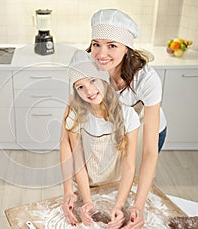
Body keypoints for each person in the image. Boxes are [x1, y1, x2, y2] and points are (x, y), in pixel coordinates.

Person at [61, 9, 167, 228]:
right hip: (109, 129)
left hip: (145, 131)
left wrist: (138, 206)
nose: (101, 54)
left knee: (134, 187)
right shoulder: (87, 66)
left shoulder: (146, 79)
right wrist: (68, 190)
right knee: (108, 184)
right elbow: (67, 135)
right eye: (96, 44)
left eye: (112, 45)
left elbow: (148, 152)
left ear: (126, 48)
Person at [60, 49, 140, 228]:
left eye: (92, 80)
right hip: (87, 185)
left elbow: (129, 165)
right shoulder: (76, 116)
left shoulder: (128, 115)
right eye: (80, 86)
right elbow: (78, 163)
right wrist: (87, 201)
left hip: (118, 185)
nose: (89, 90)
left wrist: (118, 204)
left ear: (104, 79)